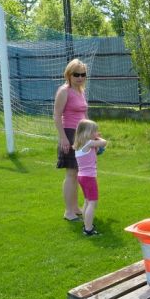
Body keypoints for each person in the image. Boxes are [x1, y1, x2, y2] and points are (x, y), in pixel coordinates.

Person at [54, 59, 89, 221]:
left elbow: (84, 115)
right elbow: (56, 116)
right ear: (69, 74)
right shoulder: (64, 91)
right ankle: (68, 212)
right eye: (76, 74)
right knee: (71, 173)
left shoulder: (81, 91)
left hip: (82, 135)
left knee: (78, 173)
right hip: (69, 134)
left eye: (83, 74)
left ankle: (75, 208)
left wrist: (92, 133)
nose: (80, 77)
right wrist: (63, 138)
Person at [73, 119, 108, 236]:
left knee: (87, 201)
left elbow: (96, 150)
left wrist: (95, 138)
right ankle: (88, 229)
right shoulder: (89, 143)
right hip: (89, 178)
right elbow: (104, 142)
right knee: (93, 203)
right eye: (94, 131)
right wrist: (98, 138)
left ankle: (87, 224)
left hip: (81, 177)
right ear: (87, 133)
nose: (96, 133)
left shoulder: (79, 146)